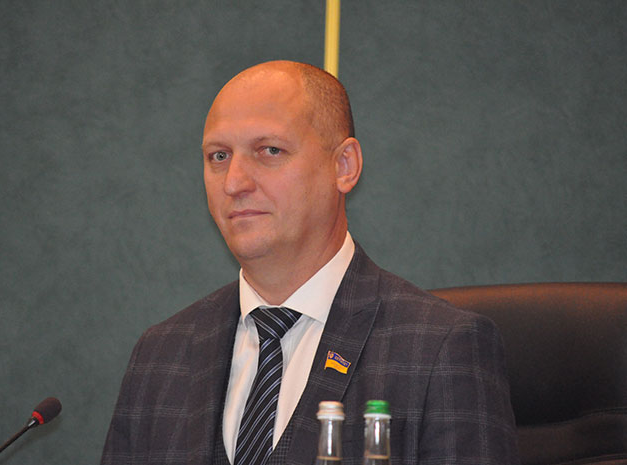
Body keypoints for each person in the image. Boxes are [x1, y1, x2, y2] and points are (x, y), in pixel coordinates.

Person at [101, 60, 519, 464]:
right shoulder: (160, 355)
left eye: (269, 150)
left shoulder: (440, 348)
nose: (234, 183)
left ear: (344, 166)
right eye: (219, 156)